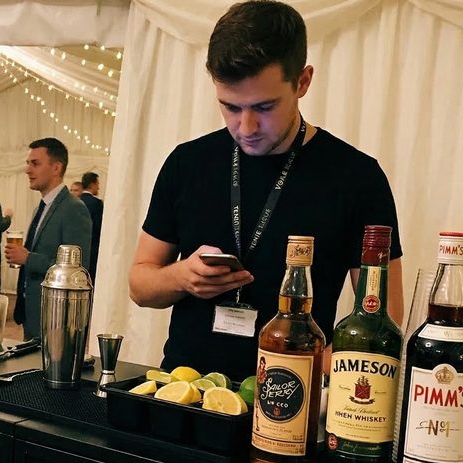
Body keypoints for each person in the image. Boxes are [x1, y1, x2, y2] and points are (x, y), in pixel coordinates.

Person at [128, 0, 403, 382]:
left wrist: (311, 371)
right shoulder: (187, 163)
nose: (246, 126)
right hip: (184, 394)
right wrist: (181, 277)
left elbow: (382, 323)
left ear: (303, 82)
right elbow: (140, 284)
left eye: (264, 106)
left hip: (290, 408)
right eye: (230, 107)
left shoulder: (357, 177)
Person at [5, 138, 92, 340]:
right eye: (28, 163)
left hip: (55, 319)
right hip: (32, 313)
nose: (27, 169)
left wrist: (28, 259)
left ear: (56, 167)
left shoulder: (74, 209)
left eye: (35, 163)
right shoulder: (42, 207)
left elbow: (78, 270)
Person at [79, 172, 103, 284]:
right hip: (92, 249)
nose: (98, 187)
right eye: (97, 183)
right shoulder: (96, 204)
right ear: (92, 184)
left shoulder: (75, 201)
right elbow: (99, 229)